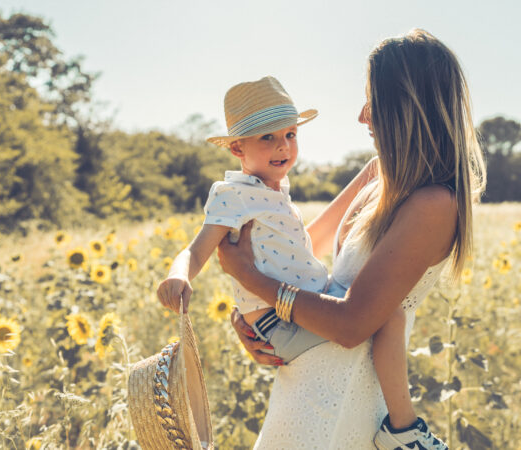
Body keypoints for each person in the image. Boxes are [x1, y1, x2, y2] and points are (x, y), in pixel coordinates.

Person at [218, 29, 486, 450]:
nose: (363, 116)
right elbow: (299, 247)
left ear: (406, 107)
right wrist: (251, 313)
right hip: (302, 382)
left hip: (348, 396)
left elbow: (352, 325)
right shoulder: (377, 173)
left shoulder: (434, 204)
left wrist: (254, 280)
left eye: (373, 102)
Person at [156, 76, 442, 445]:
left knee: (388, 314)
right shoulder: (232, 194)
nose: (283, 146)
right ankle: (406, 431)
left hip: (298, 314)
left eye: (290, 134)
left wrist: (249, 286)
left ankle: (404, 429)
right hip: (281, 322)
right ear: (237, 148)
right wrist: (179, 276)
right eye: (267, 137)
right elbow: (197, 250)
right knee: (389, 315)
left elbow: (287, 257)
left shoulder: (278, 194)